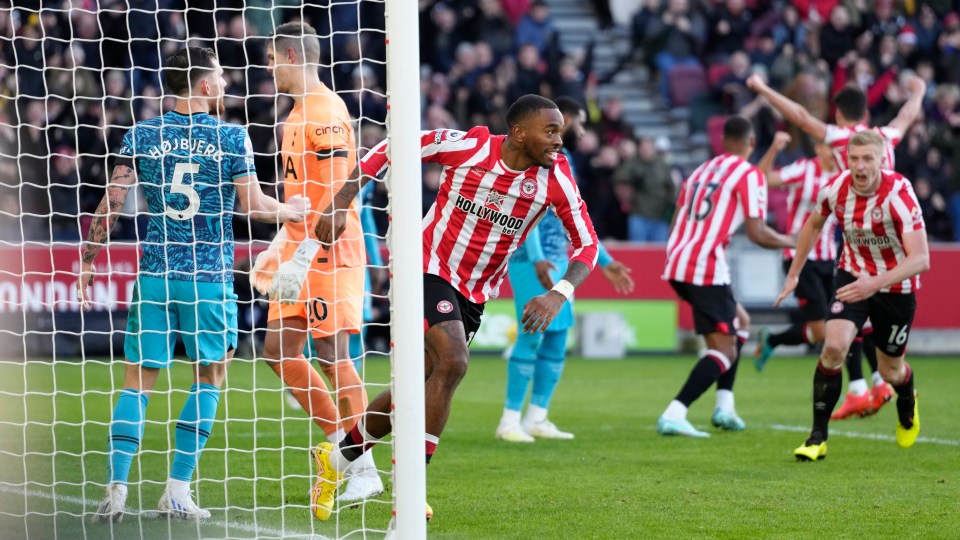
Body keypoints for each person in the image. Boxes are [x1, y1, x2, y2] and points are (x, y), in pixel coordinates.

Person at [311, 94, 601, 521]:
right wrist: (342, 198)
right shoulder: (470, 147)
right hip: (425, 268)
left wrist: (558, 293)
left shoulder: (556, 179)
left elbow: (588, 243)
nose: (561, 140)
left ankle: (336, 460)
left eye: (561, 131)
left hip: (475, 292)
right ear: (519, 133)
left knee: (419, 386)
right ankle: (412, 490)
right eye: (551, 131)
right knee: (454, 361)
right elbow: (394, 147)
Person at [78, 46, 309, 522]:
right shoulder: (231, 137)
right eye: (221, 77)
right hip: (207, 279)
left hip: (156, 275)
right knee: (211, 376)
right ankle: (177, 491)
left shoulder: (141, 133)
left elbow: (113, 200)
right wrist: (291, 211)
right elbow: (251, 205)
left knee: (137, 382)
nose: (225, 84)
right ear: (205, 85)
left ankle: (115, 490)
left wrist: (88, 259)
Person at [250, 22, 381, 513]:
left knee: (333, 353)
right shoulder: (296, 115)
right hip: (299, 248)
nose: (267, 68)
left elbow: (340, 192)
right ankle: (345, 452)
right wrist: (283, 241)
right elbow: (301, 198)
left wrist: (309, 250)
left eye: (270, 58)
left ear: (288, 55)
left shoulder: (325, 111)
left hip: (329, 249)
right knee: (279, 350)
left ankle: (363, 467)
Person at [775, 131, 929, 461]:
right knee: (832, 347)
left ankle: (906, 400)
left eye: (867, 159)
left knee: (891, 372)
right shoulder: (836, 188)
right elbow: (813, 224)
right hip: (851, 276)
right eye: (854, 158)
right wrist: (794, 272)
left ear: (882, 160)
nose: (859, 166)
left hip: (895, 286)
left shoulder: (899, 193)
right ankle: (817, 437)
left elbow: (921, 259)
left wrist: (875, 283)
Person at [495, 97, 635, 443]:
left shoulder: (562, 159)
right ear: (568, 120)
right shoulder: (539, 155)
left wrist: (605, 262)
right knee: (532, 336)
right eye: (583, 123)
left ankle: (536, 418)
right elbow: (528, 212)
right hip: (531, 261)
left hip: (558, 260)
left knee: (557, 339)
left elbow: (574, 221)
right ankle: (509, 421)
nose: (584, 130)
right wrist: (539, 258)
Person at [657, 116, 795, 438]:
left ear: (723, 141)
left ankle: (725, 407)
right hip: (705, 264)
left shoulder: (699, 172)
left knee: (740, 323)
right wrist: (794, 240)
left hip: (678, 260)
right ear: (751, 143)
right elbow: (758, 233)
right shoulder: (748, 175)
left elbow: (677, 219)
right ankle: (675, 412)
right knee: (723, 350)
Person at [753, 131, 894, 418]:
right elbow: (761, 178)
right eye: (833, 149)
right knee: (823, 330)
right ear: (819, 148)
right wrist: (774, 148)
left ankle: (865, 386)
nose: (839, 154)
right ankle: (774, 341)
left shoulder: (847, 174)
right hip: (800, 258)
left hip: (831, 259)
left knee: (846, 323)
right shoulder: (803, 170)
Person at [745, 73, 926, 172]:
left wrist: (763, 89)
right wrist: (918, 91)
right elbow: (906, 116)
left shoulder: (840, 138)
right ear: (865, 115)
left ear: (838, 115)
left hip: (860, 228)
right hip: (891, 226)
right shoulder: (886, 135)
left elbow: (801, 118)